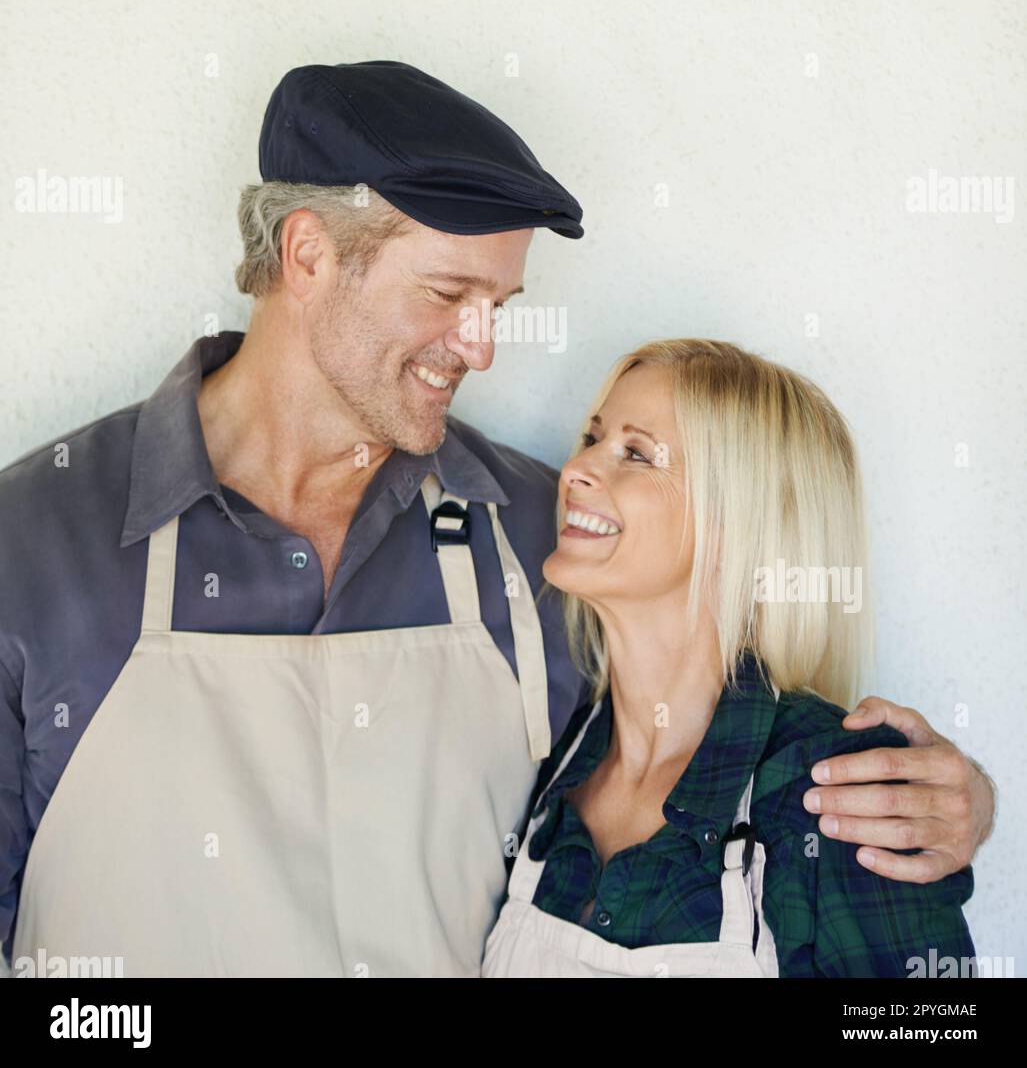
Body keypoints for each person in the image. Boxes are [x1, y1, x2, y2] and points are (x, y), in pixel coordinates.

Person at [0, 63, 995, 978]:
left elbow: (716, 717)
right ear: (307, 255)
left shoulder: (540, 539)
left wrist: (945, 806)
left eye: (499, 304)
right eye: (447, 294)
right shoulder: (34, 541)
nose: (479, 348)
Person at [482, 341, 979, 977]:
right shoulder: (559, 754)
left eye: (636, 453)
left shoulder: (834, 788)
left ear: (735, 524)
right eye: (592, 437)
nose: (575, 468)